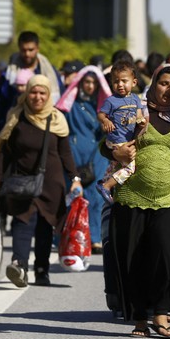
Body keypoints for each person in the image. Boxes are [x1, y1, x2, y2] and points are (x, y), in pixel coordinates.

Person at [106, 63, 170, 338]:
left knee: (167, 256)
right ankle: (140, 317)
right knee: (135, 259)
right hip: (132, 197)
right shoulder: (137, 112)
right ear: (153, 85)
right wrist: (116, 154)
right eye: (164, 82)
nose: (169, 88)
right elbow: (108, 140)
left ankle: (161, 313)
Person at [0, 75, 82, 287]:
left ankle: (42, 270)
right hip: (22, 180)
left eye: (42, 93)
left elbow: (66, 153)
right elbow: (5, 153)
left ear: (48, 95)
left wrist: (74, 179)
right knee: (22, 221)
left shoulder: (57, 119)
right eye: (33, 92)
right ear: (26, 93)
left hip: (51, 182)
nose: (37, 97)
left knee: (44, 226)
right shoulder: (17, 117)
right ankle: (19, 265)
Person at [57, 65, 113, 254]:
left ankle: (95, 238)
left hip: (96, 155)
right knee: (75, 197)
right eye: (87, 82)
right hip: (74, 154)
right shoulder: (70, 104)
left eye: (94, 83)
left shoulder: (103, 106)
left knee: (96, 197)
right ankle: (71, 237)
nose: (90, 86)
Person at [0, 31, 64, 146]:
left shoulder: (49, 73)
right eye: (23, 50)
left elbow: (59, 104)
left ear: (37, 48)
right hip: (12, 131)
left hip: (43, 132)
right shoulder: (9, 75)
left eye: (30, 50)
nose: (27, 54)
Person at [95, 60, 147, 204]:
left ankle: (105, 180)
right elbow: (100, 114)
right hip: (116, 139)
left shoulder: (136, 99)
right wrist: (106, 121)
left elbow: (138, 114)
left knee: (116, 164)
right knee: (130, 168)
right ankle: (107, 186)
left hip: (126, 138)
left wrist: (141, 120)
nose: (120, 85)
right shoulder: (111, 101)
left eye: (124, 81)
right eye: (116, 81)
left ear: (134, 82)